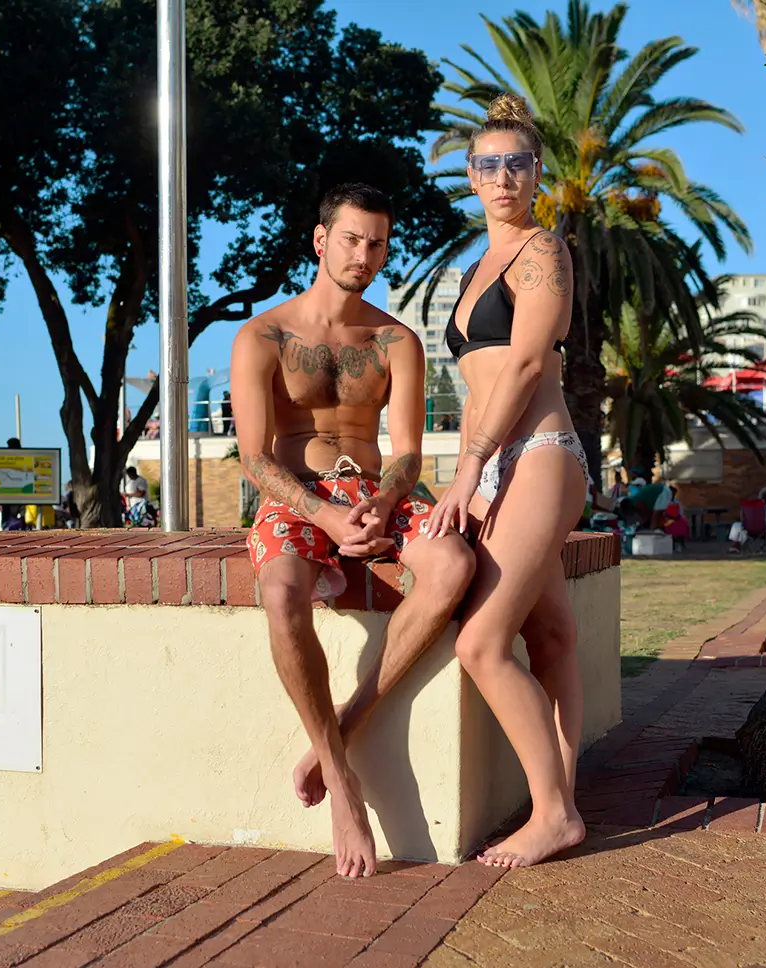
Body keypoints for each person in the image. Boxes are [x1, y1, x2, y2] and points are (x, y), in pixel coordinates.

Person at [231, 183, 476, 879]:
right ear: (320, 240)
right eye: (351, 239)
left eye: (377, 244)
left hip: (377, 495)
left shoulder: (394, 339)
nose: (364, 255)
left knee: (452, 565)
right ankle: (343, 783)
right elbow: (252, 457)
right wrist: (326, 515)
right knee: (281, 597)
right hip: (298, 499)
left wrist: (383, 499)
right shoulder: (263, 336)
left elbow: (406, 452)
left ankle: (347, 722)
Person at [426, 94, 589, 869]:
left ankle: (553, 814)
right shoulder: (475, 265)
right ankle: (562, 792)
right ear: (469, 176)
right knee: (547, 634)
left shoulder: (543, 251)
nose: (502, 177)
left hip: (542, 451)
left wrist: (467, 470)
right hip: (498, 466)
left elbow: (524, 365)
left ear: (536, 172)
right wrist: (474, 475)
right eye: (487, 165)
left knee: (482, 643)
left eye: (516, 163)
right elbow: (475, 382)